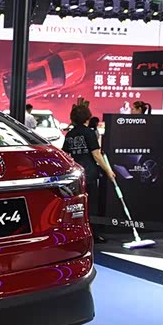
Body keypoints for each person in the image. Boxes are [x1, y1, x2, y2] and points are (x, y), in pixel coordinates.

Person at [64, 100, 115, 244]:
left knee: (78, 205)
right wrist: (108, 171)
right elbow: (96, 155)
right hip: (90, 174)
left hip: (76, 175)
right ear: (87, 118)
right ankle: (93, 234)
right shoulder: (89, 133)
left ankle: (78, 234)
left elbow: (66, 155)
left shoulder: (70, 134)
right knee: (91, 205)